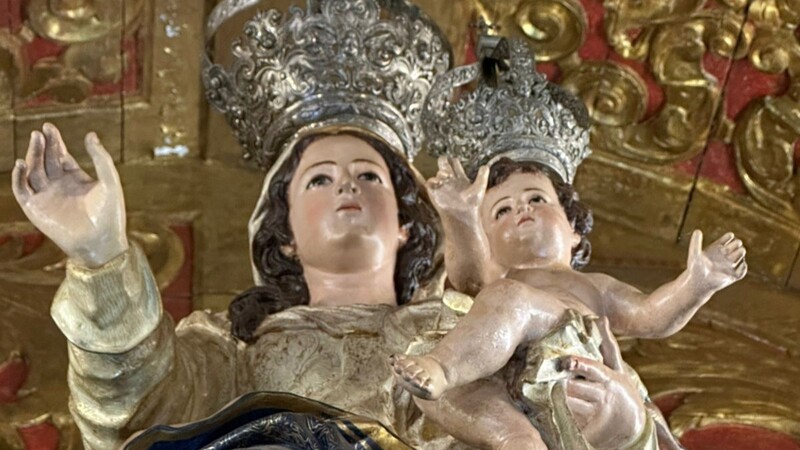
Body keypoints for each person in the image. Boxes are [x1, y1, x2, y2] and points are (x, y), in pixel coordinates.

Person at [9, 0, 461, 447]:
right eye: (319, 179)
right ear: (285, 236)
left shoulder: (459, 338)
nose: (347, 186)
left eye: (369, 175)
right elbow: (135, 412)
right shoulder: (234, 350)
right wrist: (102, 258)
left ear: (407, 223)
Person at [390, 36, 743, 450]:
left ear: (574, 227)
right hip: (498, 369)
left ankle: (446, 369)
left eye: (536, 199)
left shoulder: (594, 288)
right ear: (488, 239)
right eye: (501, 211)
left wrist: (697, 284)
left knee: (509, 300)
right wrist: (461, 218)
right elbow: (467, 279)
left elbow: (650, 316)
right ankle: (510, 434)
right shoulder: (494, 286)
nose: (521, 209)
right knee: (446, 362)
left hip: (568, 367)